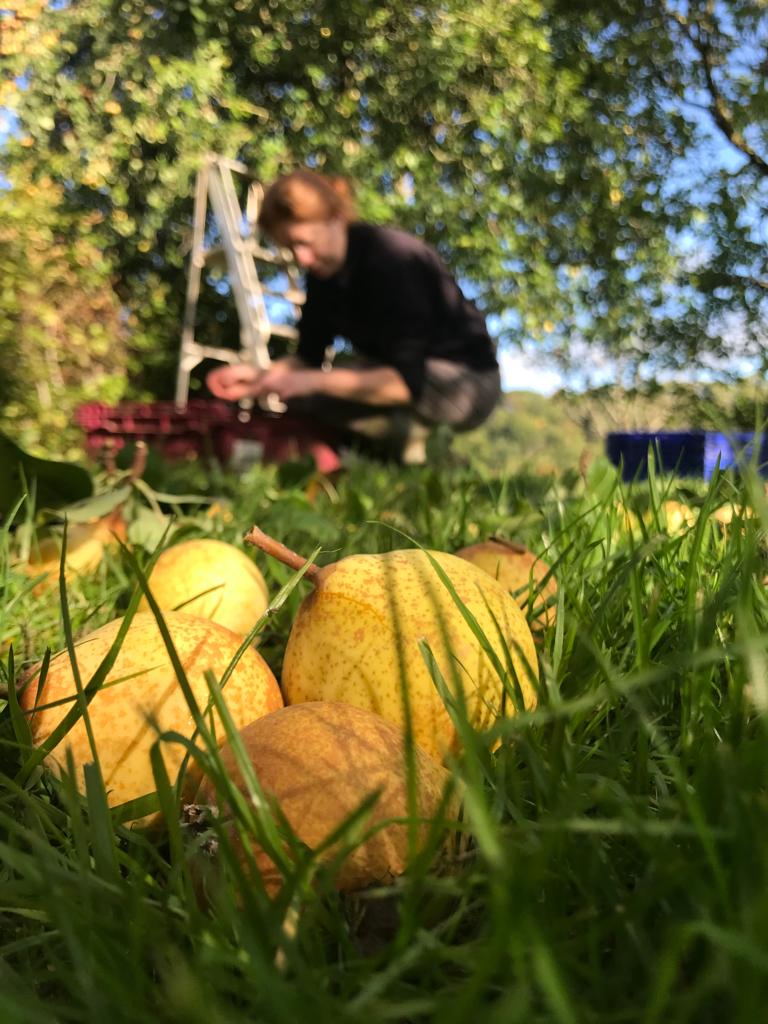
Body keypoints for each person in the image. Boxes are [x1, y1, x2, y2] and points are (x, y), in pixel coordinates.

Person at [205, 169, 502, 463]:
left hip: (465, 383)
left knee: (319, 393)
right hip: (396, 375)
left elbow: (404, 383)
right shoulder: (321, 278)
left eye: (304, 242)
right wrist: (259, 378)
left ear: (336, 218)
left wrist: (308, 381)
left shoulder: (393, 260)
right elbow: (307, 358)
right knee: (307, 400)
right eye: (290, 248)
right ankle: (389, 449)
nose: (301, 259)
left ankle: (424, 453)